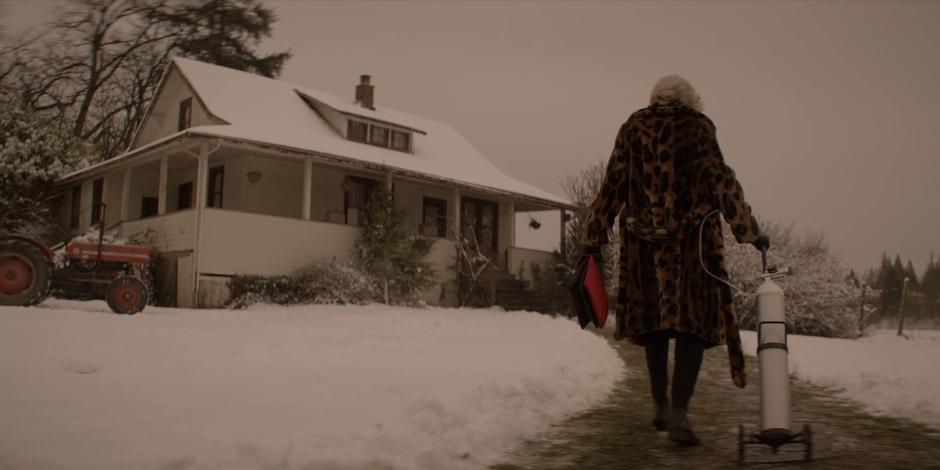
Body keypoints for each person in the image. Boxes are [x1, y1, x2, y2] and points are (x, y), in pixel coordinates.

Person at [583, 75, 769, 446]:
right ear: (691, 99)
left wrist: (594, 233)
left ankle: (660, 406)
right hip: (691, 248)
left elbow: (613, 184)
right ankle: (681, 412)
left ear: (656, 98)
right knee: (690, 330)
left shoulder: (633, 127)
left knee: (653, 327)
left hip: (643, 248)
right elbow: (722, 182)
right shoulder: (698, 128)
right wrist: (750, 231)